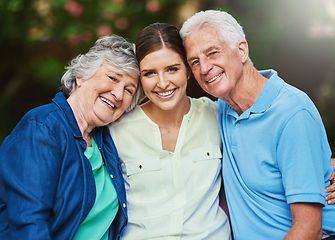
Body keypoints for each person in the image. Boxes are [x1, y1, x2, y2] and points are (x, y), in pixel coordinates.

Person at [180, 9, 335, 239]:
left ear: (242, 50)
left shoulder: (292, 113)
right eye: (194, 61)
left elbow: (308, 230)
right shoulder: (218, 110)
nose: (204, 68)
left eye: (212, 53)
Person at [0, 35, 141, 240]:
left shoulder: (107, 141)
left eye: (129, 90)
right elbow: (29, 222)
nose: (119, 94)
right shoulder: (42, 128)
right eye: (113, 78)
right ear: (81, 76)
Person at [109, 23, 231, 239]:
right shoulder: (116, 130)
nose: (163, 83)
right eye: (150, 73)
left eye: (172, 69)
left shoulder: (217, 116)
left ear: (188, 71)